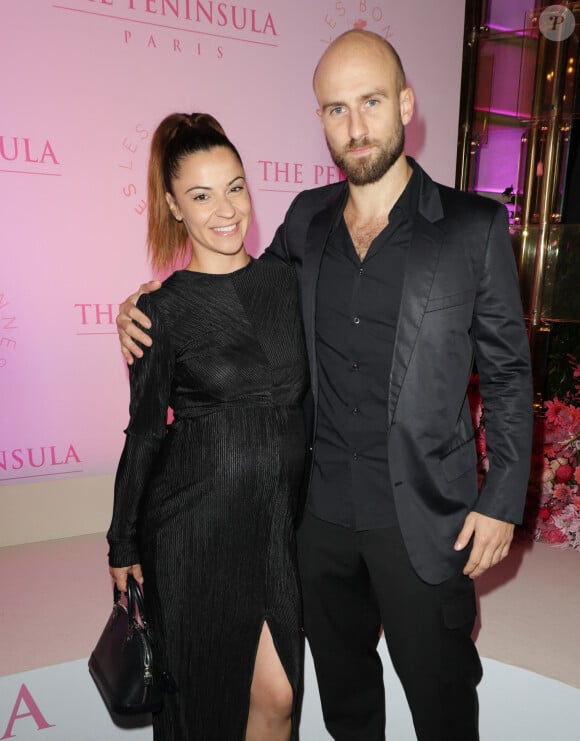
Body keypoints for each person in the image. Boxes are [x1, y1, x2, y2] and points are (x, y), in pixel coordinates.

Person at [116, 31, 534, 741]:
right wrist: (146, 302)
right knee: (345, 706)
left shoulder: (473, 228)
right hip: (316, 527)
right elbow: (235, 289)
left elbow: (508, 370)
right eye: (335, 109)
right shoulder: (305, 221)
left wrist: (502, 498)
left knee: (443, 708)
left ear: (405, 103)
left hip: (426, 522)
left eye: (371, 102)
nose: (356, 125)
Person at [107, 112, 309, 741]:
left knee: (278, 698)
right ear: (173, 206)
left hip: (276, 524)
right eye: (200, 195)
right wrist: (123, 541)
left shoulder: (289, 282)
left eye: (235, 186)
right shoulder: (159, 312)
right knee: (203, 705)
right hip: (193, 530)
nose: (225, 209)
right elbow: (143, 434)